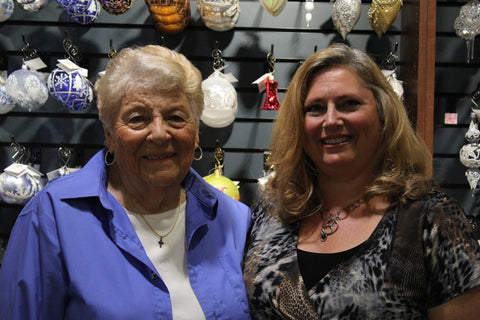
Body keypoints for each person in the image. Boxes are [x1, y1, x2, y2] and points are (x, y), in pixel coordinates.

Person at [0, 45, 252, 320]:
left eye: (176, 117)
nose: (159, 133)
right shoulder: (53, 218)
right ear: (109, 133)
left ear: (196, 133)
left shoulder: (232, 219)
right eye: (137, 119)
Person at [243, 43, 480, 319]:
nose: (330, 120)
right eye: (315, 108)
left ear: (383, 115)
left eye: (349, 104)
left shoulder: (431, 221)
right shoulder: (272, 212)